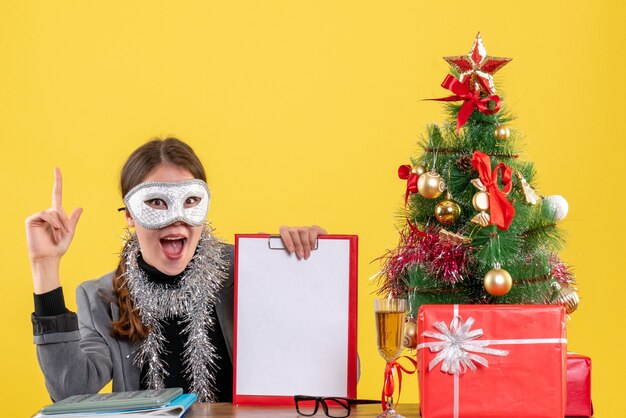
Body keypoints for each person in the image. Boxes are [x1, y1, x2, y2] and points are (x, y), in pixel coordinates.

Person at [26, 137, 326, 403]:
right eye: (156, 202)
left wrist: (303, 275)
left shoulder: (248, 270)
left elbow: (329, 376)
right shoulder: (102, 299)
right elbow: (70, 393)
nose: (176, 219)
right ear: (130, 214)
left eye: (190, 200)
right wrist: (45, 267)